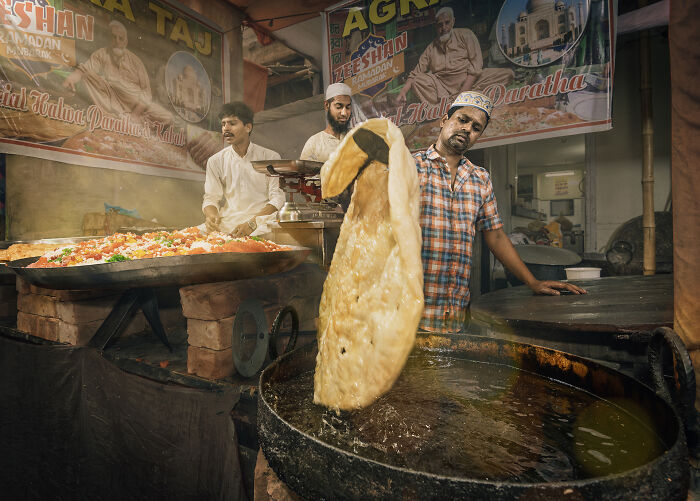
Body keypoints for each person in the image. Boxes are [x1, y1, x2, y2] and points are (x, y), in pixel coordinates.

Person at [414, 91, 586, 333]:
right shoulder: (410, 166)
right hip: (408, 313)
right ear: (444, 120)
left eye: (476, 127)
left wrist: (533, 282)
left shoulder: (480, 178)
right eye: (462, 120)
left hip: (455, 313)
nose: (467, 129)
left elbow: (495, 235)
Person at [396, 7, 514, 107]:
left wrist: (461, 93)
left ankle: (460, 100)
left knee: (507, 74)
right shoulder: (431, 48)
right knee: (417, 81)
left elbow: (476, 66)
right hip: (443, 91)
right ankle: (454, 103)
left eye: (447, 23)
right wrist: (403, 90)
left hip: (470, 82)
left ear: (453, 22)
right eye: (440, 25)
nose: (444, 28)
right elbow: (416, 73)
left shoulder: (466, 34)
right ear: (435, 27)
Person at [200, 101, 285, 237]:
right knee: (189, 237)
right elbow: (211, 197)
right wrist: (211, 217)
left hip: (261, 222)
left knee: (260, 238)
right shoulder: (215, 161)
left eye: (232, 123)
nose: (226, 129)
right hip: (228, 221)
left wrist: (252, 223)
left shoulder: (270, 157)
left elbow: (277, 198)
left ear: (248, 127)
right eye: (223, 124)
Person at [63, 20, 172, 125]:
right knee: (87, 76)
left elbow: (146, 93)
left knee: (167, 117)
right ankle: (116, 118)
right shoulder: (102, 54)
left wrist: (135, 114)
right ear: (109, 38)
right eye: (114, 37)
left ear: (126, 42)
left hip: (136, 107)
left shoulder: (136, 62)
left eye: (121, 38)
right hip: (111, 101)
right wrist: (70, 80)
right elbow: (83, 70)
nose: (117, 41)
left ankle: (130, 121)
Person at [300, 83, 354, 163]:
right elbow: (306, 174)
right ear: (326, 105)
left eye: (348, 107)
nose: (344, 113)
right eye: (339, 107)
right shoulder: (314, 143)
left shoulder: (357, 137)